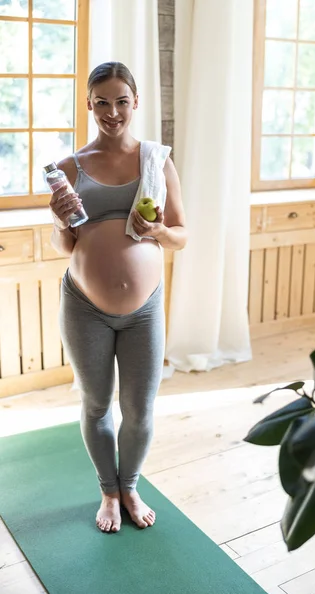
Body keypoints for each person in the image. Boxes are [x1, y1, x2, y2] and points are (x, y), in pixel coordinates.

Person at [49, 61, 187, 533]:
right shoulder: (70, 168)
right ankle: (108, 490)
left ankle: (130, 484)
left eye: (121, 101)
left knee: (140, 407)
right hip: (84, 307)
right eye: (102, 102)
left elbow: (181, 236)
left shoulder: (156, 160)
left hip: (144, 309)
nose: (112, 112)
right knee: (95, 403)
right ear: (89, 104)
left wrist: (160, 230)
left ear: (136, 103)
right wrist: (58, 221)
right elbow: (65, 247)